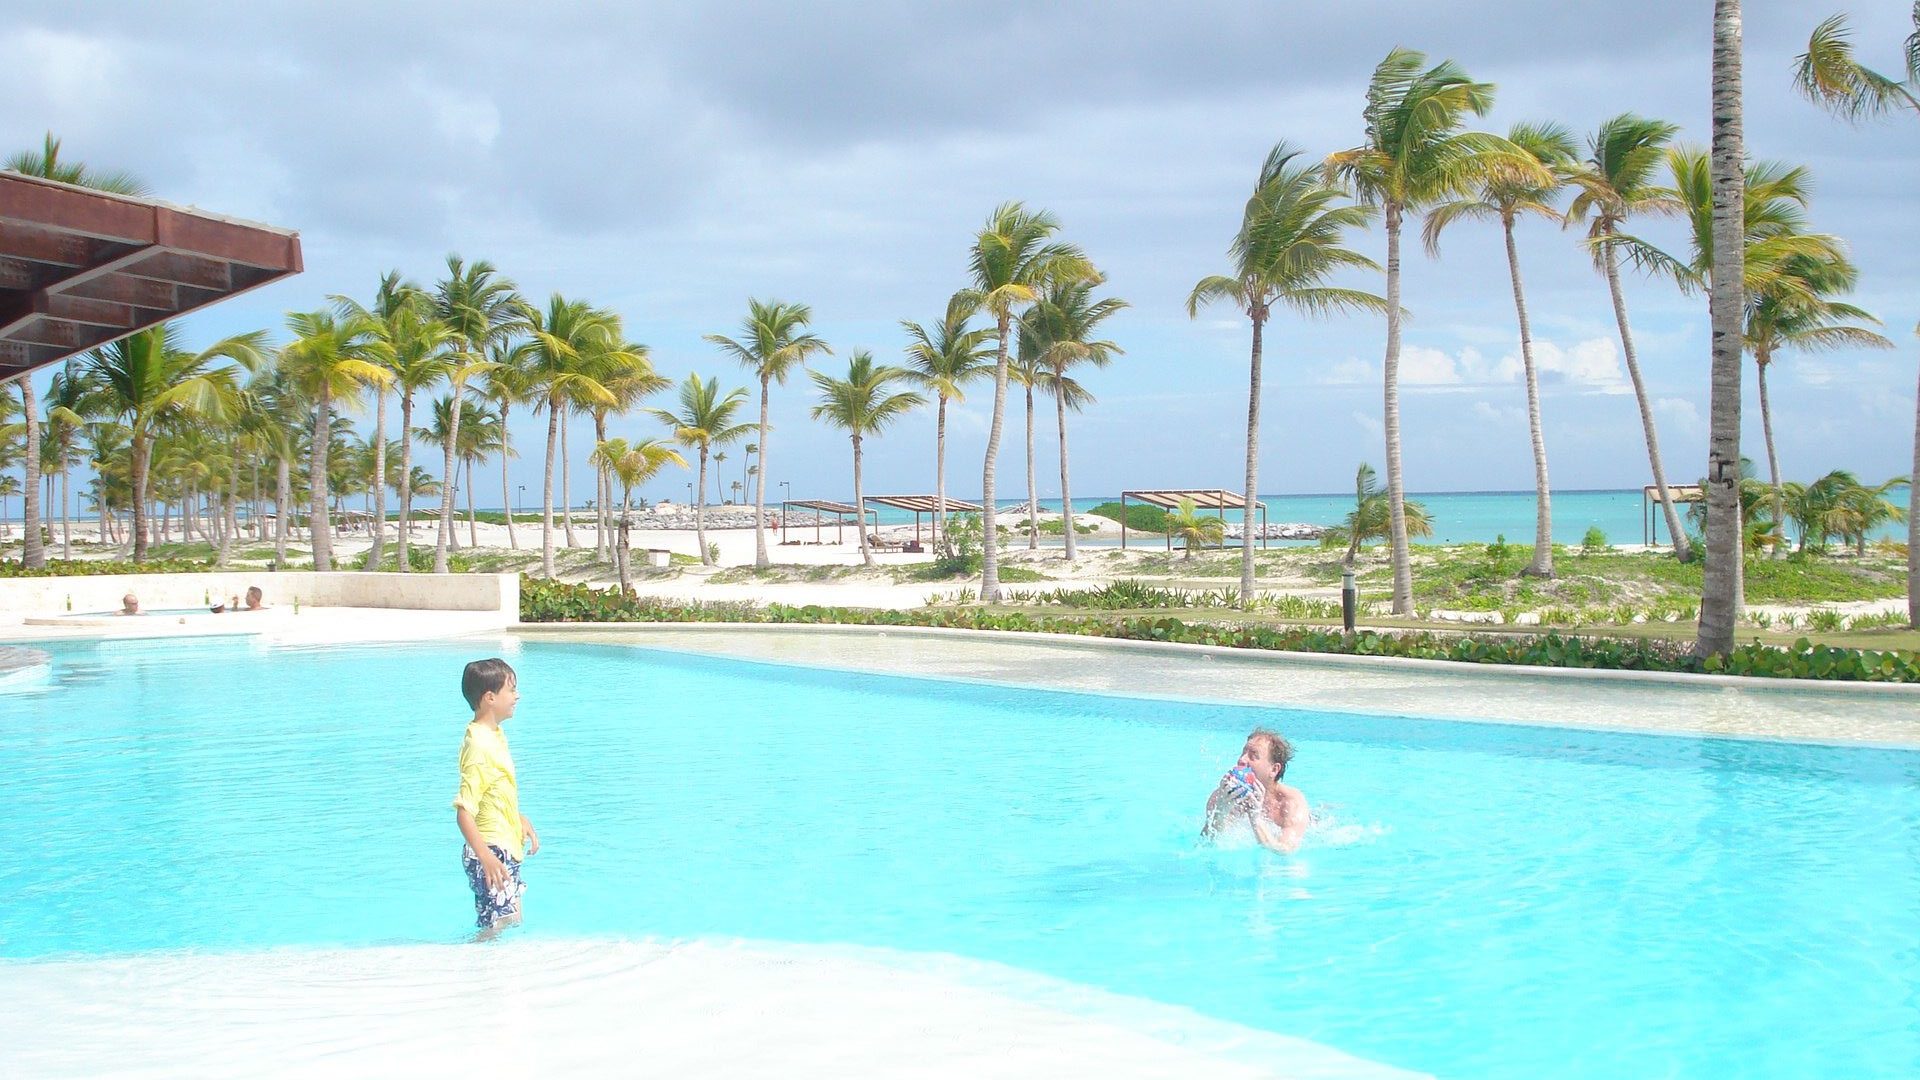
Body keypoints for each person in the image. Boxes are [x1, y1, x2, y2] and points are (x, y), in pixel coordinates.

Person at [453, 658, 539, 934]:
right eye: (511, 690)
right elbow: (464, 811)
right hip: (491, 851)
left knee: (512, 920)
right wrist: (485, 856)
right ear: (490, 697)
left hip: (504, 846)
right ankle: (477, 970)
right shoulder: (478, 745)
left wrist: (517, 818)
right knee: (495, 927)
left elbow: (494, 790)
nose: (517, 696)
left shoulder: (494, 734)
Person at [1203, 728, 1308, 854]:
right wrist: (1220, 813)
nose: (1242, 760)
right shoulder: (1223, 796)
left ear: (1274, 769)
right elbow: (1205, 846)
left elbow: (1285, 851)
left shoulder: (1291, 804)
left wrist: (1256, 819)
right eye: (1243, 753)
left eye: (1253, 756)